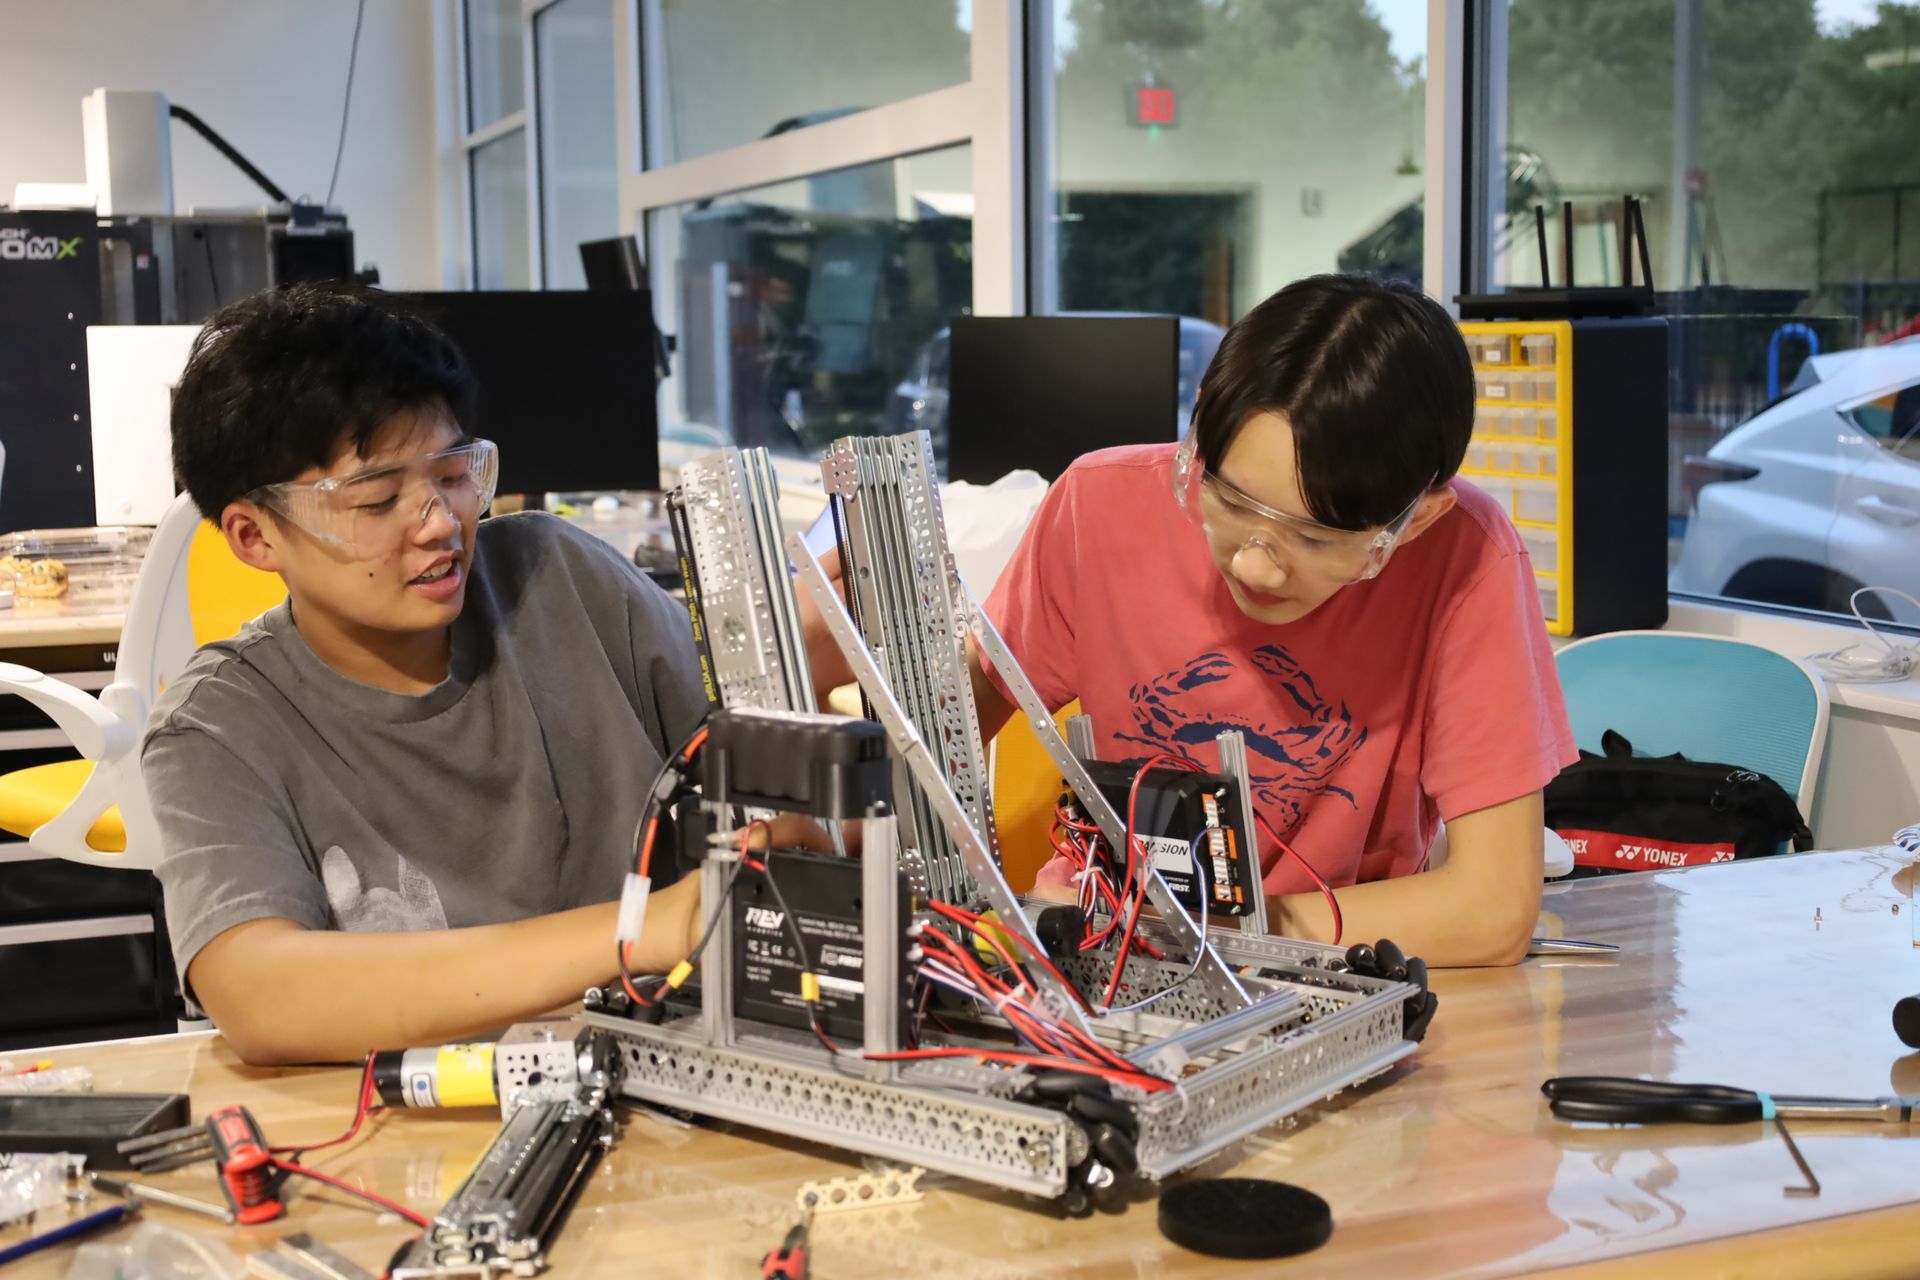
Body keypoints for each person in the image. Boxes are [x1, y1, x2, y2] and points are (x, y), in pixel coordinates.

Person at [809, 275, 1574, 966]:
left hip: (1334, 975)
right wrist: (826, 692)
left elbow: (1494, 909)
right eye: (1230, 504)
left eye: (1312, 538)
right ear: (1200, 431)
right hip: (1095, 953)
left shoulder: (1467, 557)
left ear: (1413, 522)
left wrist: (1217, 938)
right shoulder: (1098, 505)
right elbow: (940, 737)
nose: (1255, 566)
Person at [146, 283, 709, 1064]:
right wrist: (654, 928)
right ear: (254, 535)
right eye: (378, 500)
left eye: (452, 475)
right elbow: (259, 992)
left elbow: (743, 752)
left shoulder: (563, 580)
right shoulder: (218, 728)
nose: (441, 523)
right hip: (419, 1125)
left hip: (671, 1073)